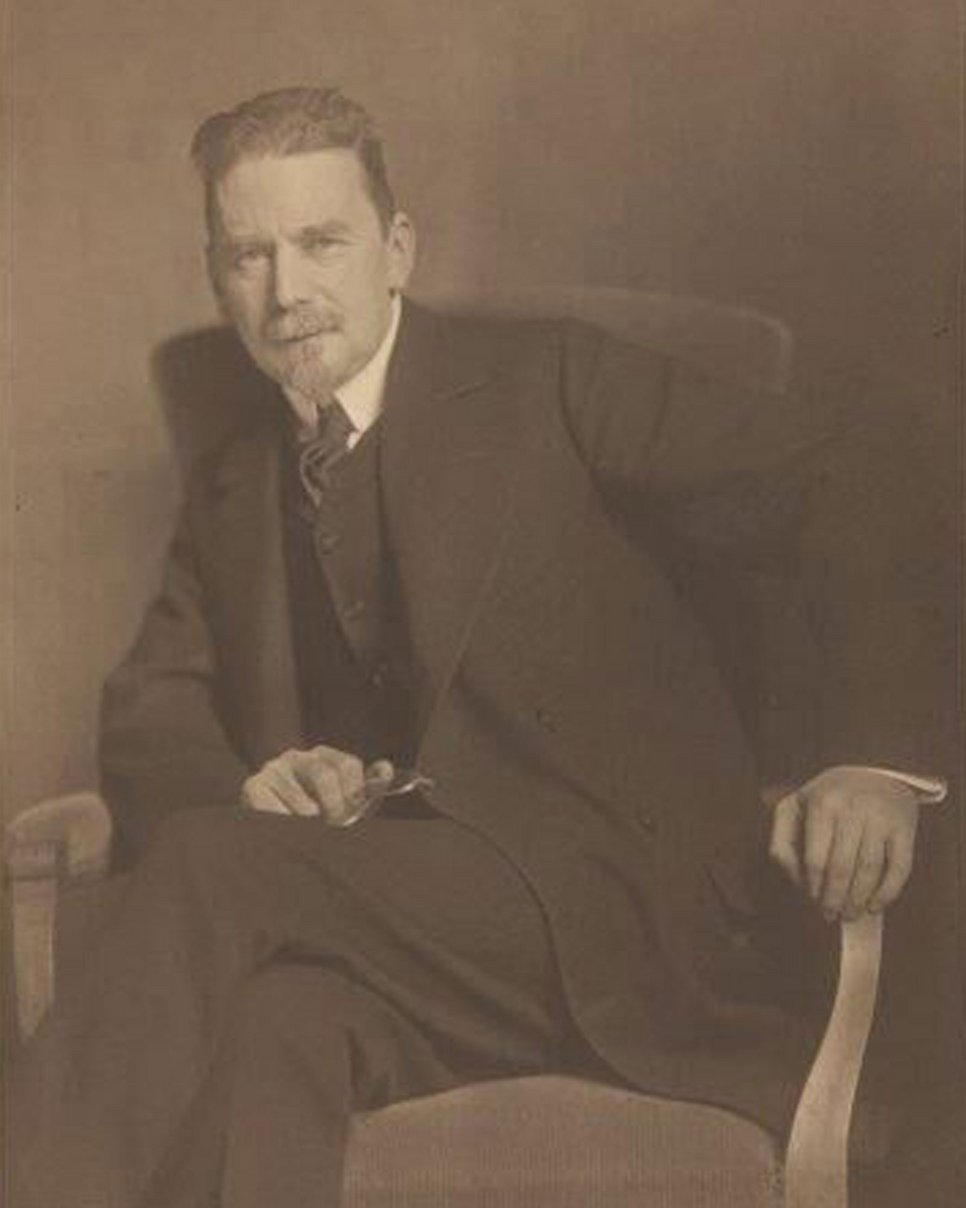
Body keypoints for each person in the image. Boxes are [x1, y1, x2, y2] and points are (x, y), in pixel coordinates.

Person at [8, 86, 944, 1208]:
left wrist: (875, 758)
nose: (286, 291)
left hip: (622, 902)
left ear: (397, 249)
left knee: (216, 870)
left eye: (321, 242)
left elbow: (848, 481)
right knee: (277, 1024)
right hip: (415, 934)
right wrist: (249, 784)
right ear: (216, 276)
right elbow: (151, 708)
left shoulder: (550, 379)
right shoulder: (232, 483)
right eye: (249, 255)